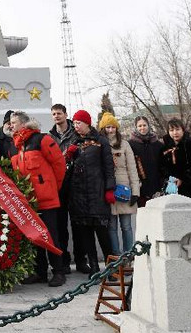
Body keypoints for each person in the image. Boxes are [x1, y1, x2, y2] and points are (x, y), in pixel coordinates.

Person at [9, 111, 66, 286]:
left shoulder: (42, 140)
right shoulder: (14, 146)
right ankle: (39, 272)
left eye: (14, 122)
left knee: (51, 236)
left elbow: (59, 165)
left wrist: (51, 187)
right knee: (34, 237)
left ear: (24, 124)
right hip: (28, 202)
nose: (11, 125)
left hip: (46, 200)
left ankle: (58, 272)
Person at [67, 109, 115, 276]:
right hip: (79, 195)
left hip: (97, 193)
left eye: (78, 123)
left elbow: (109, 167)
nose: (76, 126)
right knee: (86, 234)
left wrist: (110, 189)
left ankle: (111, 268)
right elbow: (67, 170)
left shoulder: (101, 141)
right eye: (74, 123)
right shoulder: (74, 142)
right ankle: (94, 267)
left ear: (87, 123)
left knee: (103, 234)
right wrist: (68, 157)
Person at [49, 103, 89, 274]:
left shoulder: (76, 133)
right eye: (54, 114)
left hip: (77, 184)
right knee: (61, 226)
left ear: (66, 115)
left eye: (59, 113)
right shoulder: (50, 137)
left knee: (79, 225)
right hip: (59, 186)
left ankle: (81, 260)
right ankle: (64, 261)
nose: (57, 116)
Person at [98, 113, 140, 256]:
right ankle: (116, 258)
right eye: (107, 127)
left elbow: (132, 169)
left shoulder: (124, 144)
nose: (110, 130)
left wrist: (135, 191)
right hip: (107, 190)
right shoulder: (99, 144)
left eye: (113, 127)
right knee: (111, 227)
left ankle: (128, 256)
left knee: (127, 226)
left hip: (124, 189)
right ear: (103, 128)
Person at [159, 118, 191, 205]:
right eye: (171, 130)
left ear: (183, 130)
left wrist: (182, 178)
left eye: (177, 129)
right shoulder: (164, 148)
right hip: (172, 187)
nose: (175, 132)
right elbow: (161, 167)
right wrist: (170, 178)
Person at [128, 116, 163, 206]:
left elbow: (162, 164)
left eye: (144, 125)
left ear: (148, 126)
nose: (142, 128)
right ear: (136, 127)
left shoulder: (157, 144)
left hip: (156, 184)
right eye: (139, 126)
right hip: (140, 185)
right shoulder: (130, 144)